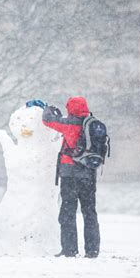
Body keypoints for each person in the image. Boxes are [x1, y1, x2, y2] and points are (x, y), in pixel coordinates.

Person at [42, 96, 100, 258]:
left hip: (70, 176)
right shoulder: (92, 123)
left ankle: (69, 249)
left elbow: (47, 120)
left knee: (68, 213)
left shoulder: (70, 124)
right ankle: (92, 250)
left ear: (71, 109)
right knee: (90, 212)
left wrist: (49, 108)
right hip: (89, 174)